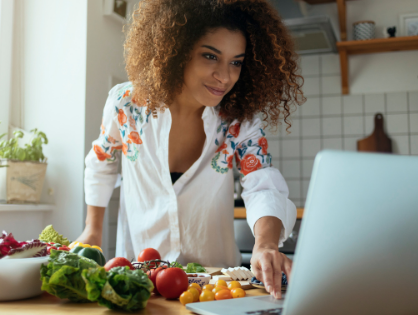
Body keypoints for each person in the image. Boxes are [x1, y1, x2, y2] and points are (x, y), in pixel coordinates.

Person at [77, 0, 305, 299]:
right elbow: (102, 161)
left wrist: (265, 245)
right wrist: (92, 230)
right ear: (177, 49)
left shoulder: (239, 119)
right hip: (140, 282)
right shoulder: (127, 104)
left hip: (217, 286)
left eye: (236, 62)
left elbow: (262, 183)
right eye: (210, 56)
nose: (225, 76)